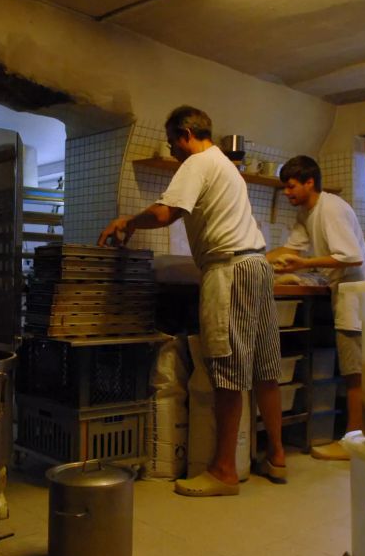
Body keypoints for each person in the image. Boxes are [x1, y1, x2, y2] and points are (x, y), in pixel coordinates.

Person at [97, 106, 286, 496]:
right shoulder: (225, 165)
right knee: (266, 366)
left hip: (230, 270)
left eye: (172, 143)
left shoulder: (198, 161)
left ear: (185, 134)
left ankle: (223, 471)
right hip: (258, 266)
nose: (172, 151)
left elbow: (166, 213)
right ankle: (278, 458)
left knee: (227, 368)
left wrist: (128, 221)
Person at [266, 155, 365, 460]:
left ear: (309, 181)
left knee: (355, 375)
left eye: (291, 186)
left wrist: (306, 263)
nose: (286, 193)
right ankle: (356, 439)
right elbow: (291, 249)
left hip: (356, 294)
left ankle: (354, 445)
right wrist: (256, 262)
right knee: (352, 372)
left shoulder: (331, 209)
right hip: (343, 292)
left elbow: (352, 256)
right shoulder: (307, 214)